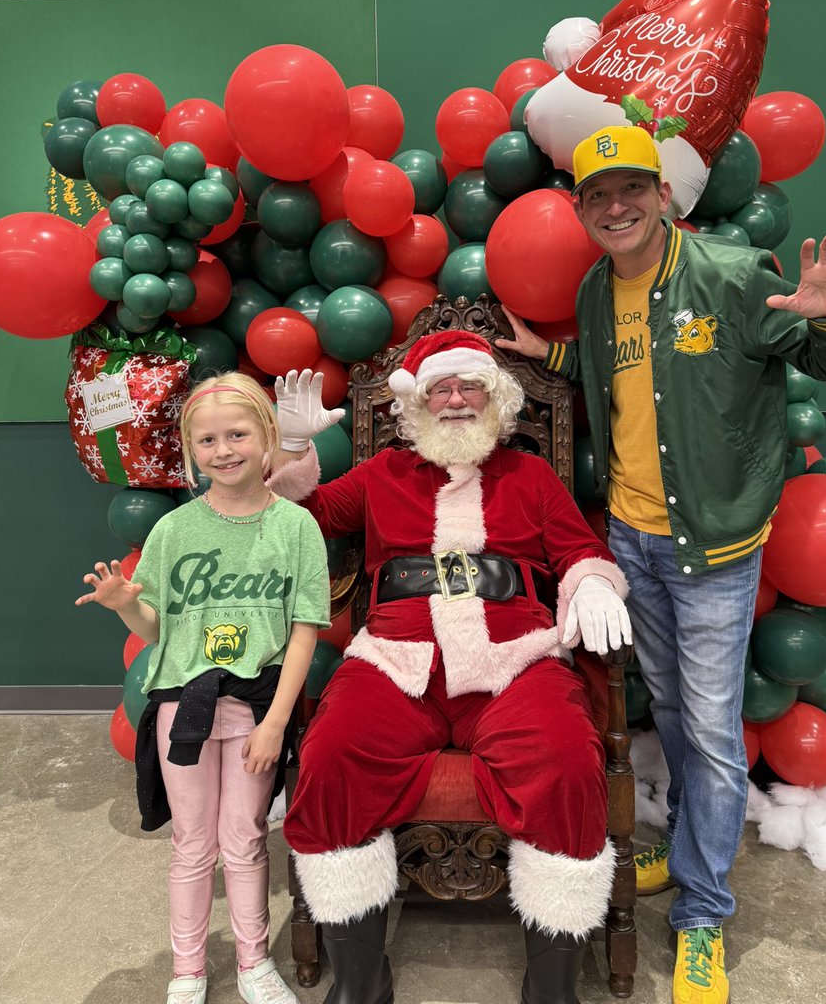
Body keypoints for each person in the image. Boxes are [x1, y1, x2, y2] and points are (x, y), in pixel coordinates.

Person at [495, 123, 826, 1004]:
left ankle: (704, 910)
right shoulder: (597, 291)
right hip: (632, 540)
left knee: (708, 733)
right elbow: (611, 372)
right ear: (585, 210)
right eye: (599, 195)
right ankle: (690, 849)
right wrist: (544, 357)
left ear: (664, 195)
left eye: (633, 188)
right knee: (670, 706)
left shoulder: (735, 276)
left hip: (711, 552)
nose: (617, 206)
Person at [269, 330, 633, 1004]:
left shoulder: (531, 477)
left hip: (513, 661)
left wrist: (591, 584)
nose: (457, 398)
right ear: (416, 405)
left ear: (497, 399)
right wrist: (292, 453)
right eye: (441, 387)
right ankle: (360, 980)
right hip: (395, 661)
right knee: (334, 754)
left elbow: (580, 548)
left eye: (471, 385)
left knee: (564, 762)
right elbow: (299, 521)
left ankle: (551, 988)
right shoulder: (381, 476)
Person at [76, 372, 331, 1004]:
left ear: (268, 437)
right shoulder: (174, 531)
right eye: (208, 439)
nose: (225, 450)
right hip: (181, 706)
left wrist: (276, 722)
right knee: (192, 844)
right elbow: (155, 624)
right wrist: (122, 607)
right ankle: (187, 970)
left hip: (256, 707)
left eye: (238, 434)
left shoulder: (296, 528)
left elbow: (303, 633)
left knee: (244, 838)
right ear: (191, 450)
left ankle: (253, 963)